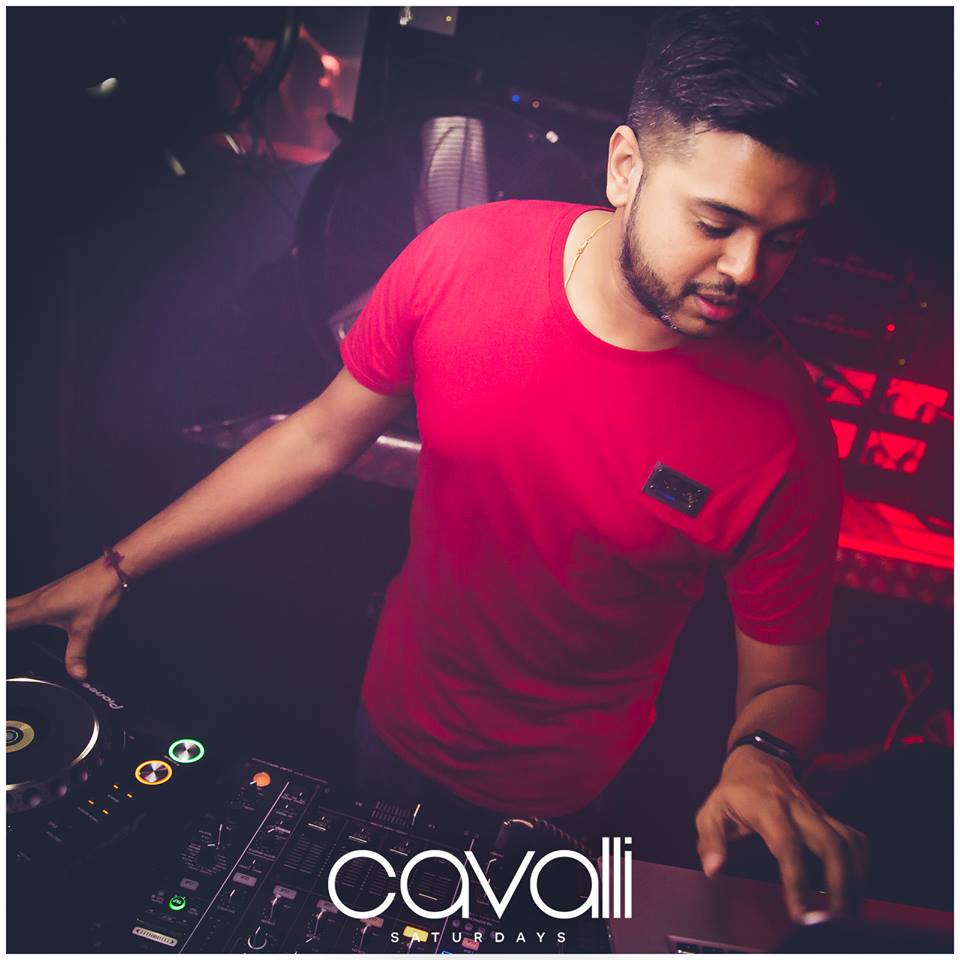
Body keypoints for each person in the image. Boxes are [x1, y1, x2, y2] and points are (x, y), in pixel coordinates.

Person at [8, 9, 867, 924]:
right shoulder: (461, 259)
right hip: (388, 726)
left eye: (784, 239)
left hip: (572, 802)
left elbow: (787, 679)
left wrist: (763, 757)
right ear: (626, 167)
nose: (746, 269)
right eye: (716, 222)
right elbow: (318, 435)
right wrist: (115, 569)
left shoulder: (785, 435)